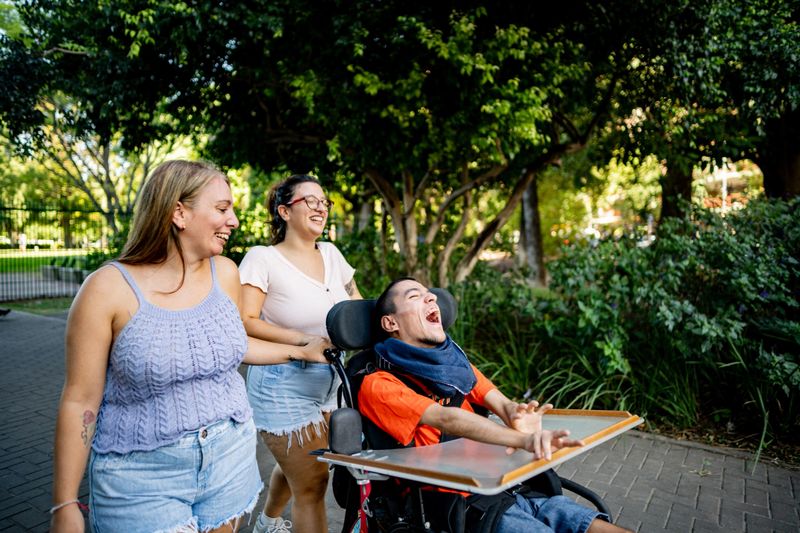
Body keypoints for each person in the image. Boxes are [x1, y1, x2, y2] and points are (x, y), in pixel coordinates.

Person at [50, 160, 329, 533]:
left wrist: (301, 349)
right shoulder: (106, 289)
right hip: (143, 476)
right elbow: (80, 401)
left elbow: (229, 344)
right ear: (179, 213)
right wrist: (65, 502)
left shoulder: (225, 273)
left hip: (229, 459)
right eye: (222, 209)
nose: (233, 221)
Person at [358, 277, 633, 533]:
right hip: (460, 504)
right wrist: (524, 441)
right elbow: (446, 418)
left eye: (430, 294)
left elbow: (500, 403)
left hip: (509, 485)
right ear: (390, 323)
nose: (432, 298)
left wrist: (516, 414)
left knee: (599, 526)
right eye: (415, 296)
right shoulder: (377, 384)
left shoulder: (453, 366)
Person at [239, 175, 361, 533]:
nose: (321, 207)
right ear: (284, 211)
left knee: (300, 464)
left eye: (325, 202)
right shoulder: (262, 259)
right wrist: (303, 342)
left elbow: (355, 305)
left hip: (332, 380)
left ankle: (267, 523)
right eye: (310, 200)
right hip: (282, 383)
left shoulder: (333, 254)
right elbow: (244, 321)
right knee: (312, 483)